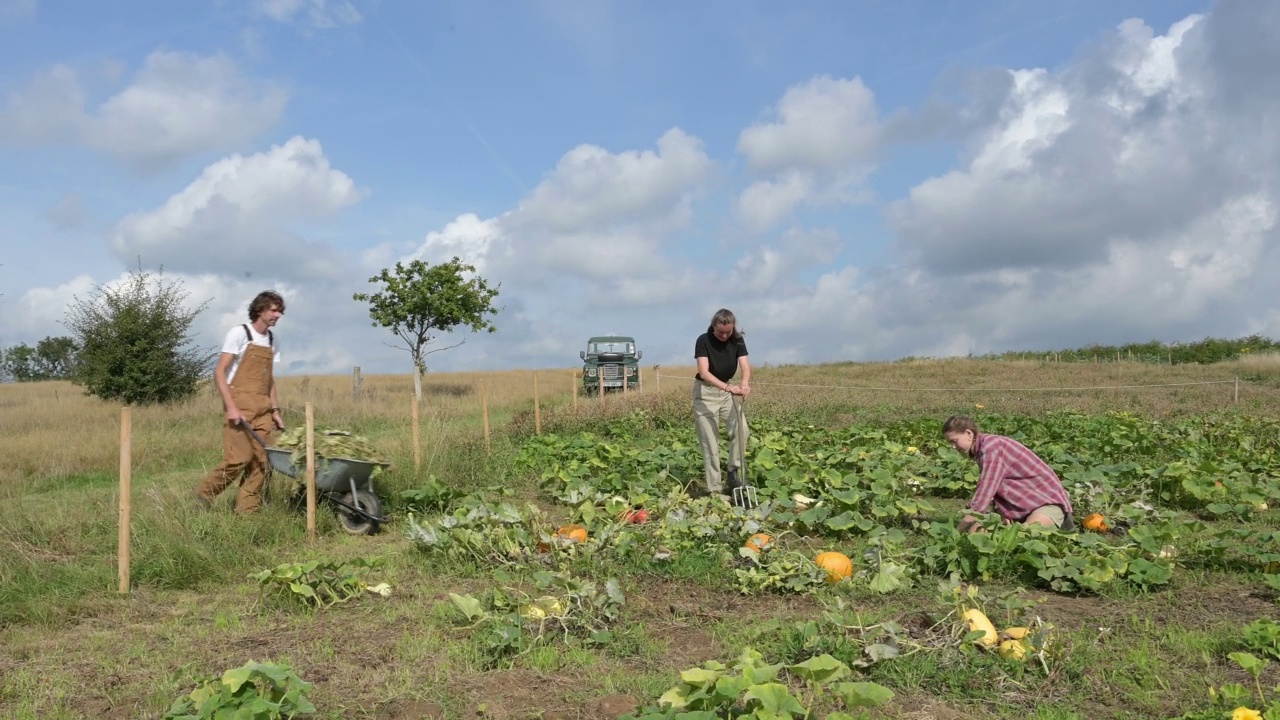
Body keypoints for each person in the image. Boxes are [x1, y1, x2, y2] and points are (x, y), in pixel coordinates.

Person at [195, 291, 286, 513]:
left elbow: (269, 378)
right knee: (240, 458)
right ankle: (203, 496)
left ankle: (247, 511)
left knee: (263, 461)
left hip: (263, 407)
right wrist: (232, 408)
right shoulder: (240, 333)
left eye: (280, 311)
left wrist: (275, 410)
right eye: (274, 310)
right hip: (240, 406)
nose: (278, 315)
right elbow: (219, 373)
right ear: (260, 310)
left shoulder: (273, 340)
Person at [942, 415, 1074, 532]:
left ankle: (1059, 522)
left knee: (1023, 538)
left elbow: (984, 495)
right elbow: (997, 489)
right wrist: (1000, 511)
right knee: (976, 534)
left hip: (1045, 503)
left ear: (969, 433)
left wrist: (957, 531)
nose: (953, 447)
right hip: (1019, 508)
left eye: (954, 441)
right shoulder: (983, 448)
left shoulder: (991, 449)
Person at [692, 308, 752, 500]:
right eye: (720, 332)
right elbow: (704, 372)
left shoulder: (737, 339)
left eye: (728, 332)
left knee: (742, 429)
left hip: (728, 393)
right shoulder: (703, 340)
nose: (725, 335)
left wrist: (744, 384)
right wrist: (727, 388)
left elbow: (745, 365)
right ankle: (715, 490)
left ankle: (733, 472)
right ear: (713, 326)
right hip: (706, 393)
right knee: (710, 441)